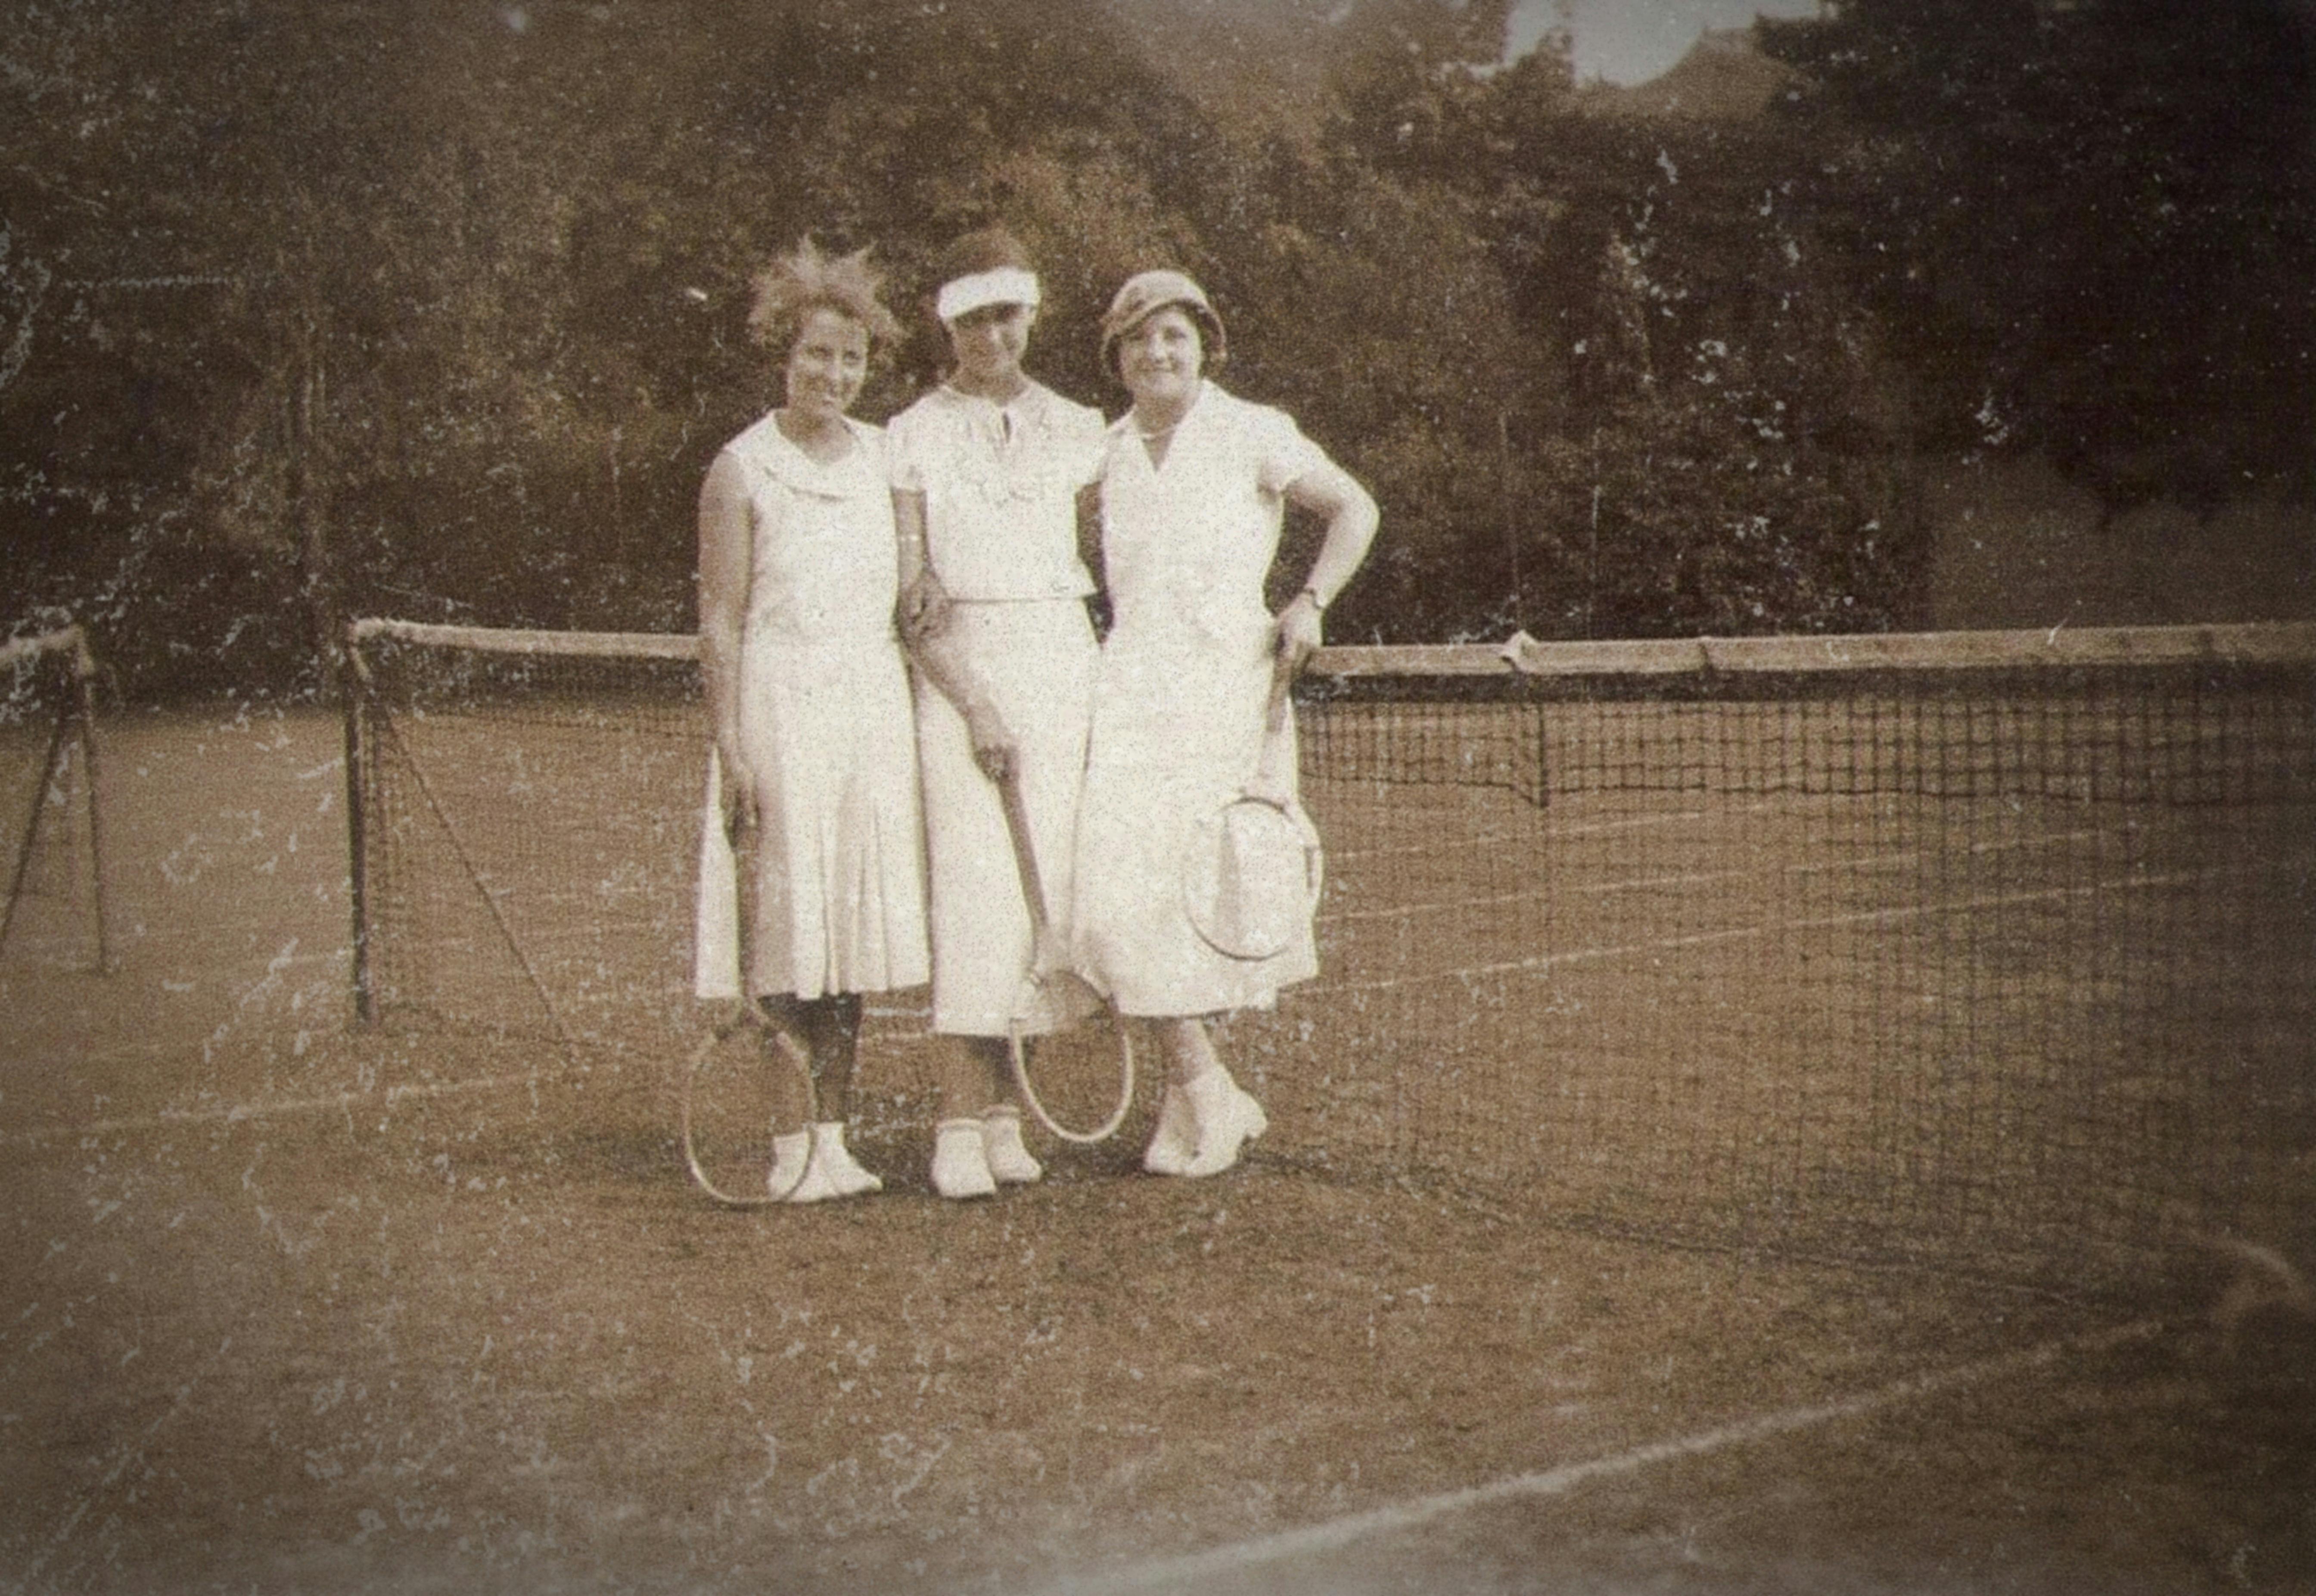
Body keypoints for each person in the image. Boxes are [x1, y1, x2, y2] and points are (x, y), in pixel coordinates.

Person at [1073, 269, 1380, 1179]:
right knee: (1115, 902)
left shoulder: (1252, 429)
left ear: (1203, 345)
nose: (1157, 352)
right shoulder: (1103, 451)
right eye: (1138, 339)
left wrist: (1311, 600)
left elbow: (1355, 507)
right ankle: (1208, 1091)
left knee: (1196, 904)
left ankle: (1196, 1099)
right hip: (1129, 692)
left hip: (1227, 692)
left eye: (1174, 335)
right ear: (1117, 358)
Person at [693, 240, 929, 1204]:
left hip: (869, 711)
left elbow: (914, 590)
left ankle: (834, 1139)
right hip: (777, 712)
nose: (834, 374)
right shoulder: (739, 469)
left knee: (850, 939)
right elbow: (720, 619)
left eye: (852, 358)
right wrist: (731, 745)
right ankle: (789, 1143)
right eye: (817, 355)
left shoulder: (887, 458)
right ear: (783, 356)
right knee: (788, 938)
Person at [887, 227, 1108, 1200]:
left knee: (1042, 902)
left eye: (1007, 315)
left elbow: (1117, 556)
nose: (992, 336)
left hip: (1063, 663)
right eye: (973, 319)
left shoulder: (1081, 427)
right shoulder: (910, 433)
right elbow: (912, 599)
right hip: (960, 674)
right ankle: (954, 1124)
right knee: (975, 895)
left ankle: (1005, 1118)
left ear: (1031, 315)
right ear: (949, 326)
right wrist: (973, 702)